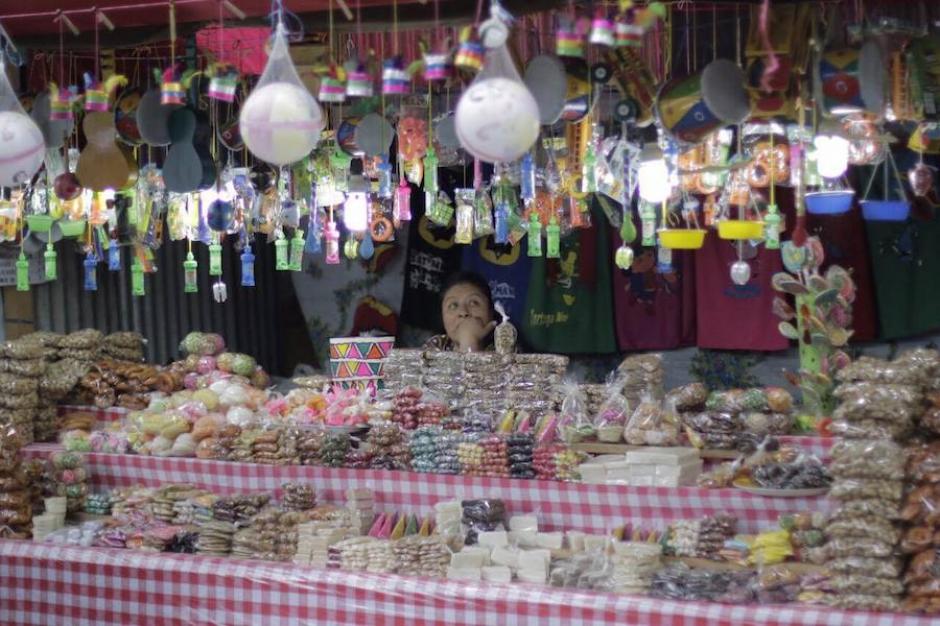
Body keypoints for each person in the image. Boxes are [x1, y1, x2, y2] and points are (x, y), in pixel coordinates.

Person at [424, 271, 499, 352]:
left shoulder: (505, 348)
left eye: (474, 303)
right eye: (453, 306)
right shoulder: (435, 347)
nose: (463, 312)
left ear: (491, 311)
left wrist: (470, 341)